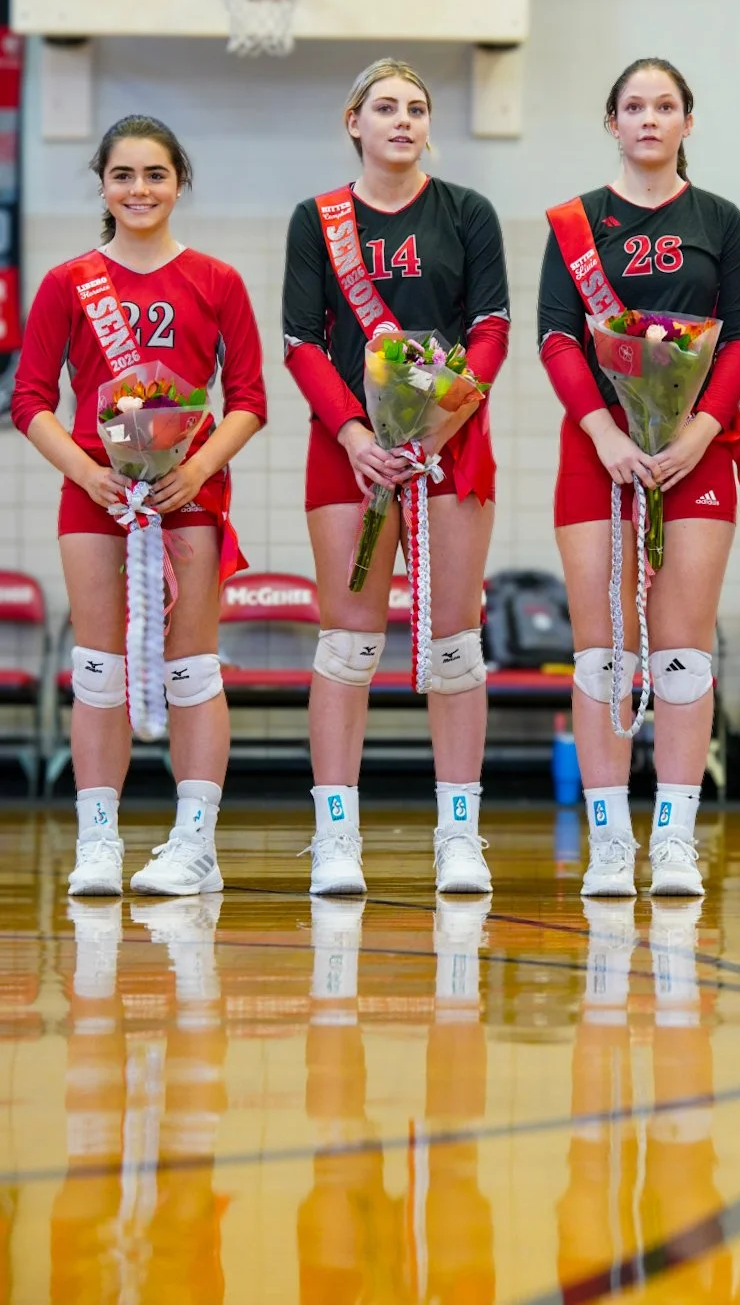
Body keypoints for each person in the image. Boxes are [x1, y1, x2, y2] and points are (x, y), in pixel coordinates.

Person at [12, 115, 265, 897]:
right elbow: (29, 400)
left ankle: (195, 843)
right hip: (99, 495)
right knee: (99, 671)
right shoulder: (67, 282)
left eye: (155, 174)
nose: (140, 189)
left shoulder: (217, 280)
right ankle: (99, 841)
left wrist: (197, 470)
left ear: (178, 182)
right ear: (103, 185)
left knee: (191, 671)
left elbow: (249, 400)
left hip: (186, 495)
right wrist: (87, 474)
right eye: (123, 175)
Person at [537, 58, 740, 898]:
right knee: (601, 652)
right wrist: (603, 433)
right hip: (597, 450)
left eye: (664, 105)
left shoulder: (719, 219)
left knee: (680, 650)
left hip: (694, 450)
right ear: (612, 122)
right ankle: (610, 841)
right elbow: (558, 339)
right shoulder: (576, 222)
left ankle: (673, 838)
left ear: (686, 122)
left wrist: (699, 431)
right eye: (633, 106)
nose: (648, 119)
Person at [283, 58, 510, 898]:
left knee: (454, 643)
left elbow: (491, 326)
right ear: (354, 121)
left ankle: (460, 836)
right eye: (386, 108)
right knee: (347, 644)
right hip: (350, 453)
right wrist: (353, 432)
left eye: (416, 108)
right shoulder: (318, 220)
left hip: (452, 446)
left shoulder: (468, 212)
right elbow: (302, 341)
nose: (403, 121)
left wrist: (449, 409)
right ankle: (336, 836)